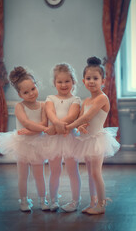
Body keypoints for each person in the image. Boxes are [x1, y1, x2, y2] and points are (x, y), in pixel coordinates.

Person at [66, 57, 120, 215]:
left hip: (97, 140)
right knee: (90, 173)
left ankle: (102, 205)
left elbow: (87, 117)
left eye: (95, 78)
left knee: (96, 172)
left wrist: (70, 126)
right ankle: (93, 201)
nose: (91, 81)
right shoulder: (86, 100)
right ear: (83, 81)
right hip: (86, 140)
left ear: (103, 81)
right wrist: (80, 126)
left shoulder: (102, 98)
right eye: (88, 78)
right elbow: (82, 119)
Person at [0, 66, 49, 212]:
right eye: (26, 92)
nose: (31, 94)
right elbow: (25, 123)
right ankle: (24, 201)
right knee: (23, 175)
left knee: (40, 175)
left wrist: (31, 132)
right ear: (20, 94)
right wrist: (37, 129)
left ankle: (43, 200)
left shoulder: (44, 105)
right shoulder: (20, 106)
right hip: (23, 144)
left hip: (38, 144)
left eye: (33, 88)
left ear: (36, 85)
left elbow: (44, 123)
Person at [44, 63, 81, 212]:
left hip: (69, 138)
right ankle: (53, 199)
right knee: (54, 170)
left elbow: (72, 116)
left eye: (67, 81)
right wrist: (56, 123)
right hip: (54, 139)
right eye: (60, 81)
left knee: (73, 170)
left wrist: (58, 126)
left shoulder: (76, 99)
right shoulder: (50, 98)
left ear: (73, 82)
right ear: (54, 83)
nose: (63, 84)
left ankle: (75, 201)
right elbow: (50, 113)